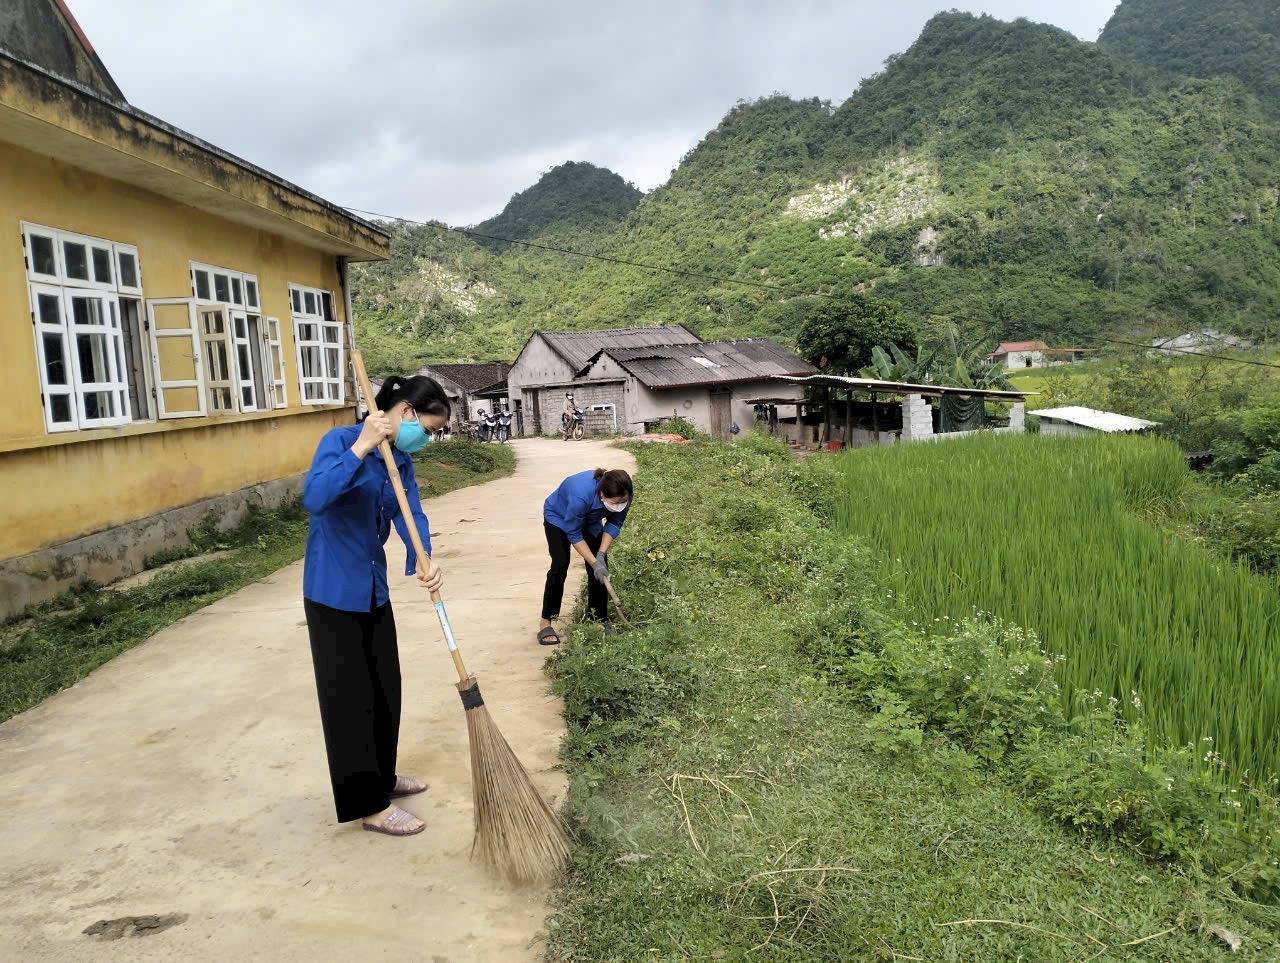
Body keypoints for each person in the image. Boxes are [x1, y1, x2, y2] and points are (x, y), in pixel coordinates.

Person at [301, 374, 451, 837]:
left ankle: (382, 777)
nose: (426, 438)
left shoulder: (399, 461)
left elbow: (410, 513)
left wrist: (423, 557)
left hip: (372, 587)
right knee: (350, 701)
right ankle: (369, 804)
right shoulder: (341, 441)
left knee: (385, 689)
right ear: (404, 412)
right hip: (332, 591)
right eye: (426, 428)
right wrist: (362, 447)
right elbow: (316, 498)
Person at [537, 467, 633, 645]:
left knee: (600, 569)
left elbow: (615, 523)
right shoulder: (580, 495)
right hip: (558, 517)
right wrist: (593, 560)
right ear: (602, 495)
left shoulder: (625, 492)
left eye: (622, 503)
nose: (618, 507)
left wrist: (601, 555)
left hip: (590, 520)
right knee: (560, 564)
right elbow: (573, 534)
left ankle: (598, 618)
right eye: (614, 503)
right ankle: (546, 621)